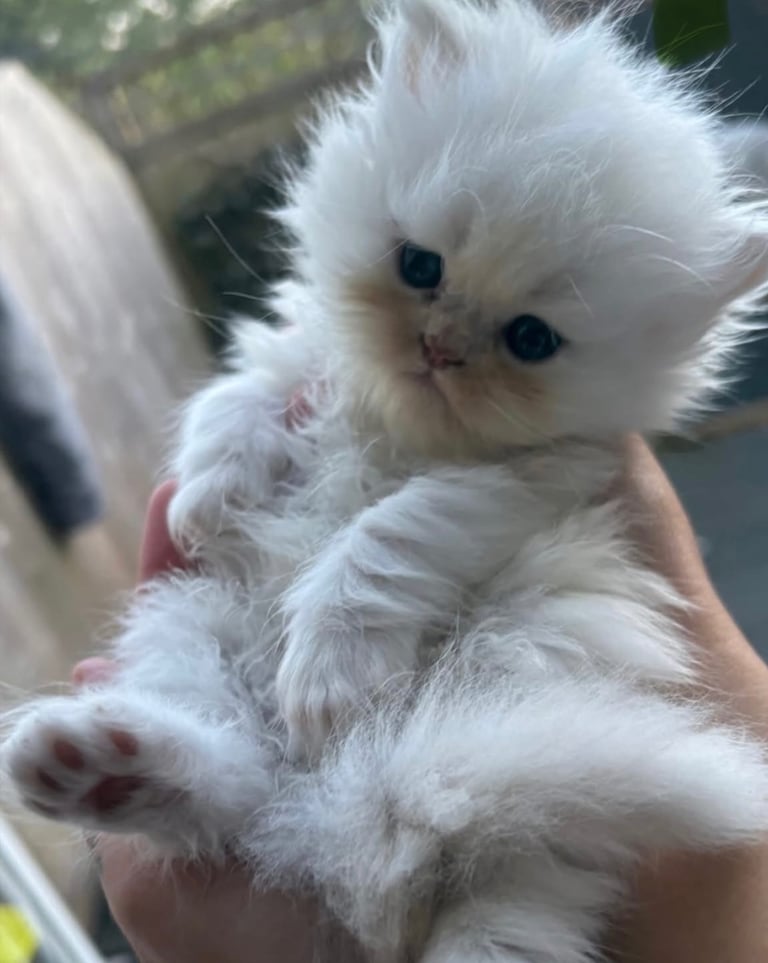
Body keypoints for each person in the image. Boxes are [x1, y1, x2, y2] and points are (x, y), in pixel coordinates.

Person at [74, 436, 768, 963]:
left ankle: (202, 777)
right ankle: (201, 768)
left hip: (462, 729)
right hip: (317, 734)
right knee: (187, 621)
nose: (443, 345)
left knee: (513, 885)